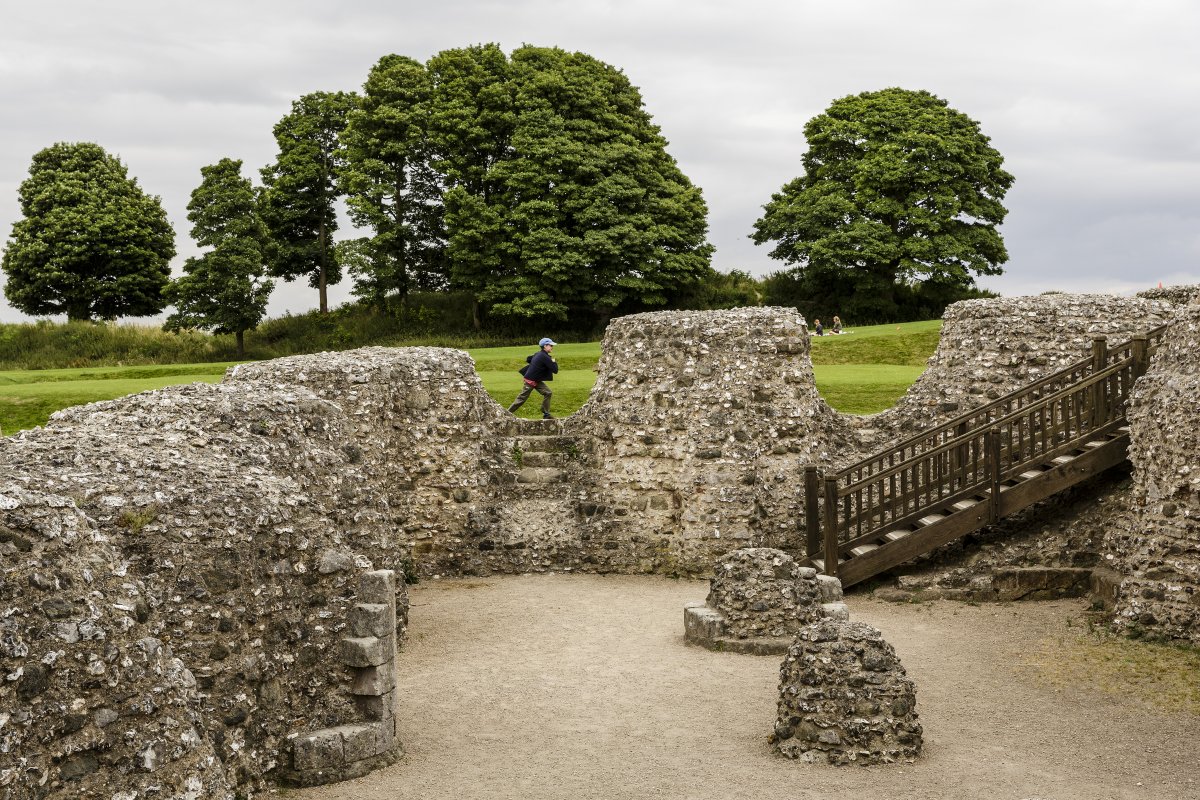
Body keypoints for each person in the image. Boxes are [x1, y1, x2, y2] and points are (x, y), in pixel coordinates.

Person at [509, 337, 559, 419]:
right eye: (550, 345)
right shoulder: (544, 357)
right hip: (530, 381)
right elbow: (555, 370)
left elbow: (528, 359)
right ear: (545, 346)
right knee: (521, 399)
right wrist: (553, 361)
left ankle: (546, 414)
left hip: (536, 380)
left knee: (548, 393)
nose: (552, 347)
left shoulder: (539, 354)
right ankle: (506, 413)